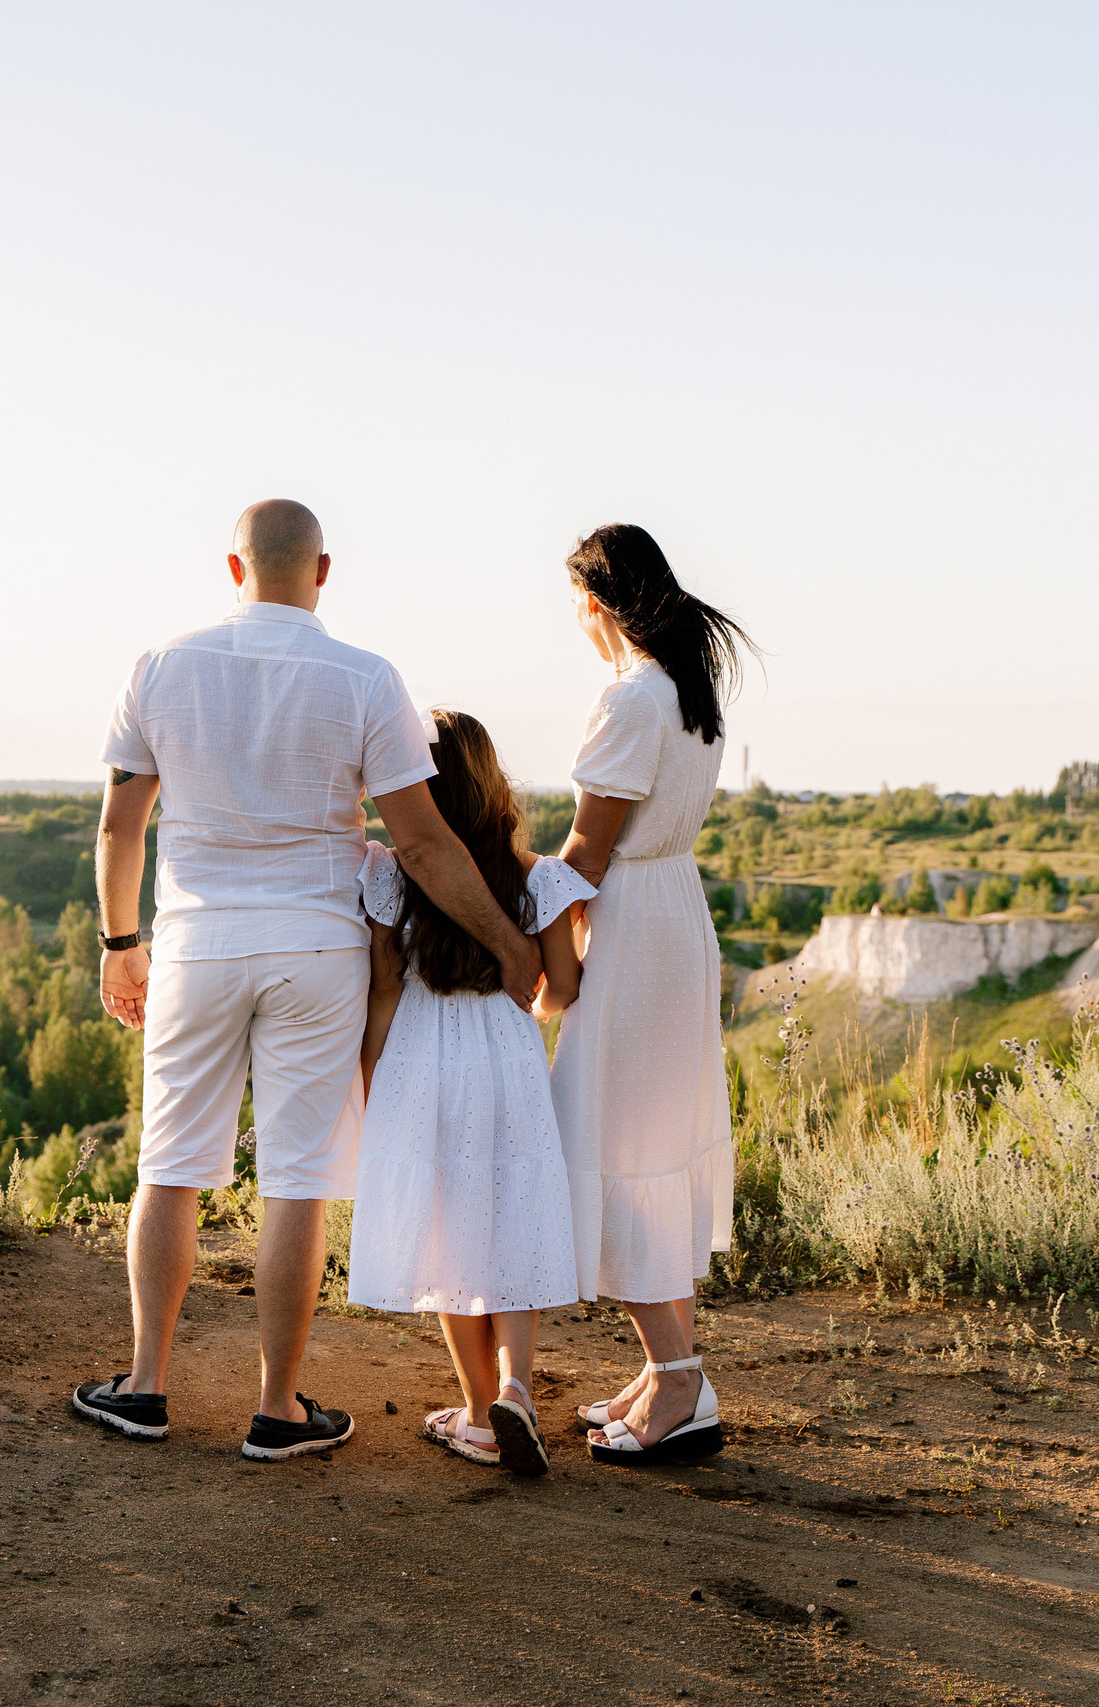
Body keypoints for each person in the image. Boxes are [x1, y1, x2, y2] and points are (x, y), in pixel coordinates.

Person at [74, 499, 545, 1462]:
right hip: (319, 948)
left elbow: (122, 825)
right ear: (321, 571)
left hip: (198, 941)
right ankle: (278, 1409)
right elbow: (419, 840)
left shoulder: (160, 666)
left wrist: (122, 942)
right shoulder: (367, 679)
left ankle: (145, 1386)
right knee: (296, 1181)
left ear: (234, 568)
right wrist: (510, 941)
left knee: (169, 1165)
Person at [547, 523, 753, 1466]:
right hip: (674, 912)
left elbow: (585, 855)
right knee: (653, 1144)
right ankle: (670, 1366)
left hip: (633, 924)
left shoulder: (630, 696)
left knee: (613, 1142)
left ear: (597, 604)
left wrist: (523, 935)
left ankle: (678, 1376)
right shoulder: (689, 693)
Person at [344, 710, 595, 1477]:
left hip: (423, 1058)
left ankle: (480, 1412)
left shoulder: (393, 875)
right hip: (506, 1060)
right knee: (512, 1212)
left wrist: (372, 1081)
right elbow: (563, 989)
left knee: (450, 1227)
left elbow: (384, 989)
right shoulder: (536, 878)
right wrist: (530, 998)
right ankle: (517, 1384)